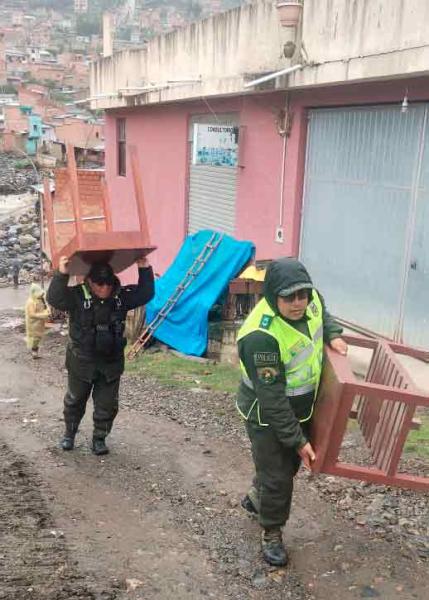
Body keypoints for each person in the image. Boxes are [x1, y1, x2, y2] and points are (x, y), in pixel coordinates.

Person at [236, 257, 348, 566]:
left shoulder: (309, 301)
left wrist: (333, 332)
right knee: (278, 477)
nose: (298, 303)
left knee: (286, 468)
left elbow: (320, 307)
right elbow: (272, 401)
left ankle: (257, 498)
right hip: (266, 414)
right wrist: (298, 441)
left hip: (300, 407)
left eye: (303, 294)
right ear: (273, 295)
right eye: (289, 297)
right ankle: (271, 531)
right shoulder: (262, 336)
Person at [46, 255, 154, 455]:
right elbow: (54, 298)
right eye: (99, 284)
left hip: (110, 362)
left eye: (108, 284)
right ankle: (69, 434)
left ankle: (99, 439)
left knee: (107, 404)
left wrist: (143, 267)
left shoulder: (121, 297)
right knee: (75, 399)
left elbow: (145, 293)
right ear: (89, 281)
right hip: (81, 360)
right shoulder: (77, 296)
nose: (104, 288)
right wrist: (62, 273)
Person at [25, 283, 50, 359]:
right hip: (33, 323)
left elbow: (45, 306)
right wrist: (43, 315)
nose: (41, 295)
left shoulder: (40, 299)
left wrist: (48, 311)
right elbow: (31, 314)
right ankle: (34, 353)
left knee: (38, 337)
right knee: (34, 338)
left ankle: (35, 352)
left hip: (40, 323)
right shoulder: (31, 302)